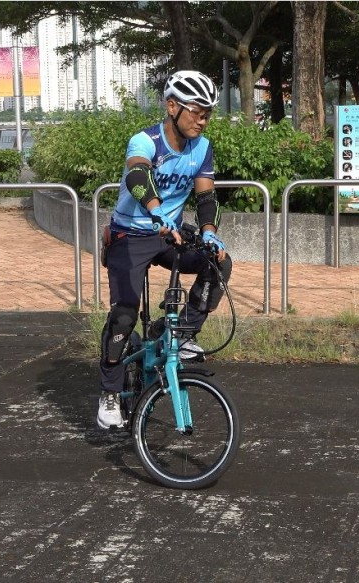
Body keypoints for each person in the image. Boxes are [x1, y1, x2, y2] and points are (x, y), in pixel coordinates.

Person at [96, 70, 233, 430]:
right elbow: (137, 176)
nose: (202, 120)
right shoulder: (144, 141)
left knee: (218, 263)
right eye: (196, 111)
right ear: (172, 106)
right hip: (129, 234)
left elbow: (206, 196)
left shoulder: (202, 147)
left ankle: (178, 334)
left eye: (207, 113)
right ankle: (109, 394)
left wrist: (208, 233)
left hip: (168, 235)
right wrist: (156, 212)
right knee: (124, 315)